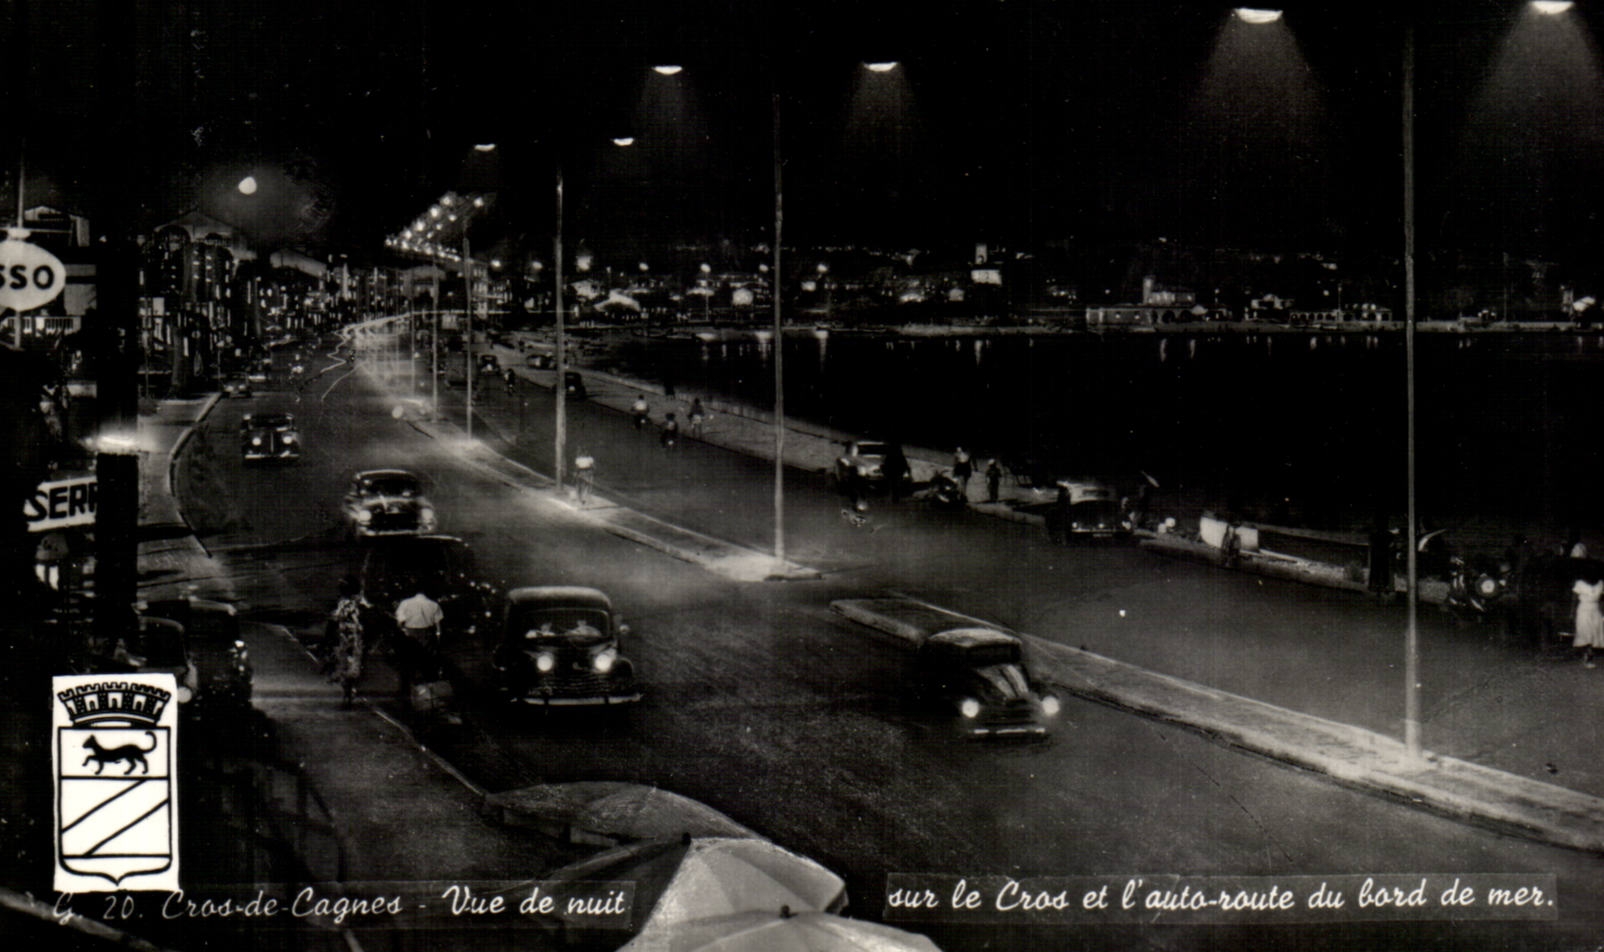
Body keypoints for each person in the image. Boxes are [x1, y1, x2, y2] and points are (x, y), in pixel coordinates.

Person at [393, 580, 444, 705]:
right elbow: (438, 627)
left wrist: (402, 630)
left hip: (410, 635)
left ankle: (405, 694)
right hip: (427, 635)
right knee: (427, 665)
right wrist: (437, 639)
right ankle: (429, 695)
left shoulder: (405, 603)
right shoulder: (434, 604)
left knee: (407, 664)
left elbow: (399, 623)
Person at [329, 577, 366, 707]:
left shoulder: (343, 603)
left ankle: (347, 692)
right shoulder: (360, 602)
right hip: (355, 636)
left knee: (344, 663)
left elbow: (337, 617)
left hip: (345, 636)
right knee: (353, 662)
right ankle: (350, 690)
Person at [1575, 576, 1604, 668]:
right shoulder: (1580, 583)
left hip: (1595, 610)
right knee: (1585, 631)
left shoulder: (1600, 583)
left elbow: (1601, 600)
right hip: (1583, 609)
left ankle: (1590, 654)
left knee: (1594, 632)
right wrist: (1571, 614)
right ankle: (1588, 656)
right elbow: (1574, 599)